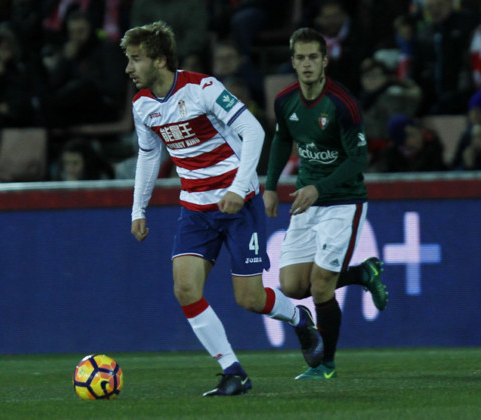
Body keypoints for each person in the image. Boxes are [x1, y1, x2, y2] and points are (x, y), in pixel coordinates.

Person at [121, 21, 324, 397]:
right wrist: (138, 209)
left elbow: (254, 131)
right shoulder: (143, 104)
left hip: (238, 204)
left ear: (160, 60)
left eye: (136, 60)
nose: (129, 68)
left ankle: (299, 317)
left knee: (249, 299)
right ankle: (233, 370)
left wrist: (237, 187)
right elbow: (149, 154)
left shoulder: (203, 88)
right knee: (185, 288)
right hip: (195, 209)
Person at [263, 28, 388, 380]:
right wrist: (270, 186)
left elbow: (357, 158)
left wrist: (318, 188)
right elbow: (281, 139)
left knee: (320, 287)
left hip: (342, 202)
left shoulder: (342, 103)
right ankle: (363, 273)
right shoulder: (285, 100)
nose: (306, 64)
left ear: (324, 60)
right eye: (300, 58)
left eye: (312, 57)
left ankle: (325, 364)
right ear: (292, 61)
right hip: (307, 201)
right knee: (290, 287)